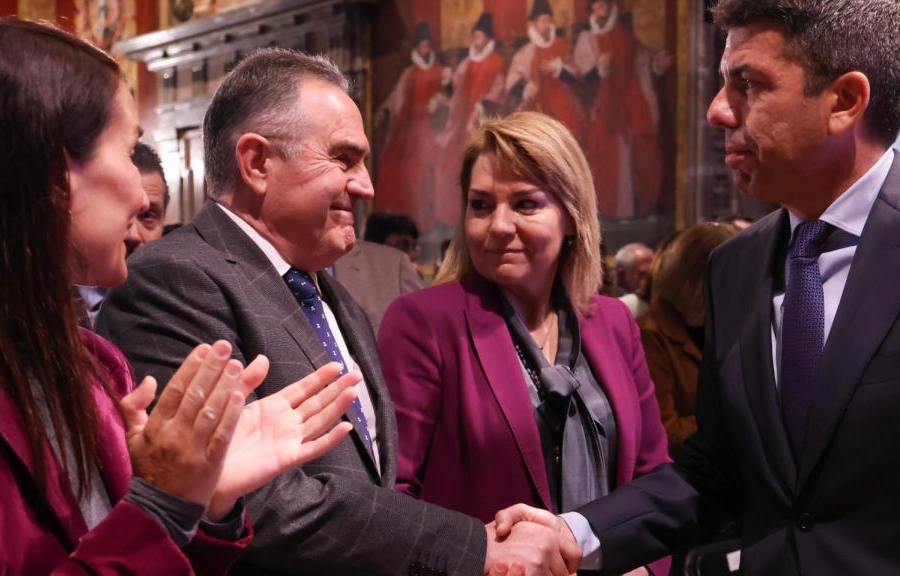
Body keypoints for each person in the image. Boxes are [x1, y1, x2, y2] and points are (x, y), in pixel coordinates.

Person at [495, 0, 900, 573]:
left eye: (747, 84)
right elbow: (719, 470)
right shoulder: (735, 265)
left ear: (844, 101)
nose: (716, 111)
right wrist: (576, 532)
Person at [97, 48, 569, 575]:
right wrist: (472, 545)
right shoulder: (174, 280)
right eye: (343, 159)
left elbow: (373, 485)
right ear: (257, 163)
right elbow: (250, 500)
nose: (365, 185)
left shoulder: (333, 296)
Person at [0, 19, 358, 574]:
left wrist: (208, 501)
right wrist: (164, 505)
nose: (141, 187)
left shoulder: (96, 364)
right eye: (128, 152)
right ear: (58, 176)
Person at [378, 111, 671, 576]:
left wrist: (647, 567)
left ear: (572, 217)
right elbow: (392, 495)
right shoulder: (423, 323)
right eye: (480, 205)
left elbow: (654, 477)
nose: (498, 225)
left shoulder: (613, 322)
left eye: (525, 204)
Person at [639, 223, 737, 458]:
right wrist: (736, 417)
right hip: (683, 479)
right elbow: (664, 434)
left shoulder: (722, 324)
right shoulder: (650, 334)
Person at [573, 0, 671, 218]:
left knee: (638, 152)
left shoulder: (625, 35)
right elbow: (579, 81)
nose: (600, 11)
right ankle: (602, 214)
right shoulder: (586, 39)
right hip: (601, 107)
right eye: (596, 7)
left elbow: (641, 65)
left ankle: (634, 210)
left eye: (604, 6)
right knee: (602, 153)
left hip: (629, 103)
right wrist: (600, 71)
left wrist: (656, 66)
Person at [76, 141, 169, 326]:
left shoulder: (183, 298)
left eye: (147, 216)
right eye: (118, 209)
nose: (133, 235)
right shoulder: (42, 302)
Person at [373, 21, 447, 230]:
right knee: (392, 164)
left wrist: (440, 102)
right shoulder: (409, 73)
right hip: (408, 128)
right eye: (421, 45)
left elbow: (451, 100)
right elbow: (396, 97)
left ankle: (427, 222)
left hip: (430, 127)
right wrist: (384, 111)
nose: (424, 49)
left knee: (426, 171)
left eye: (427, 45)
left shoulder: (441, 72)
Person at [437, 12, 506, 228]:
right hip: (460, 123)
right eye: (474, 37)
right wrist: (447, 83)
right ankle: (451, 218)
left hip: (484, 120)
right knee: (450, 163)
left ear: (487, 39)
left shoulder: (496, 62)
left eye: (479, 37)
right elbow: (454, 93)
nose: (476, 41)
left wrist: (482, 105)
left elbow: (499, 89)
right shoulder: (466, 63)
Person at [504, 0, 585, 141]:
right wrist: (525, 89)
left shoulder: (561, 45)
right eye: (542, 21)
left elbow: (576, 76)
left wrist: (559, 69)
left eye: (549, 21)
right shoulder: (525, 52)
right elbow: (510, 84)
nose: (546, 25)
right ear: (534, 24)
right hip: (535, 105)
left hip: (562, 103)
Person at [613, 241, 654, 318]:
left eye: (652, 273)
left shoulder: (655, 303)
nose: (650, 279)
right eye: (642, 274)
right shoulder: (608, 303)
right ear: (621, 274)